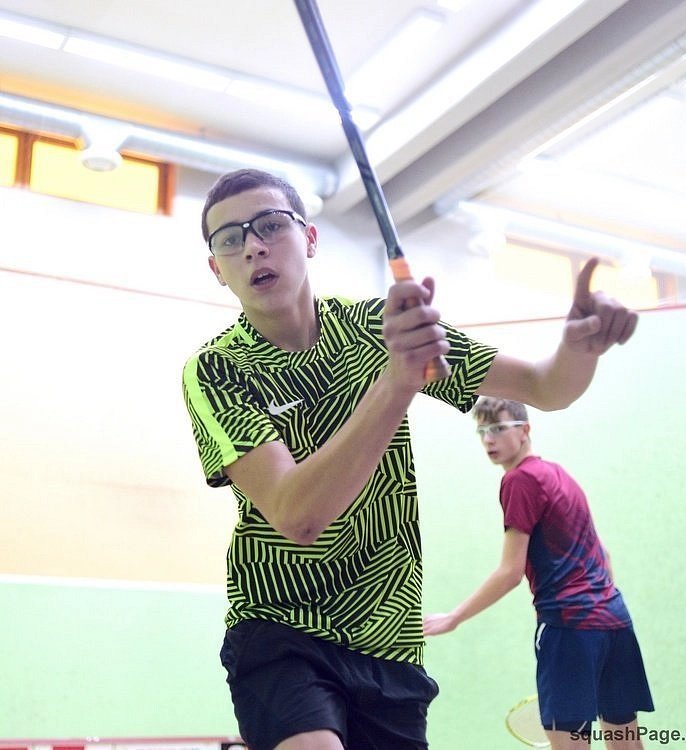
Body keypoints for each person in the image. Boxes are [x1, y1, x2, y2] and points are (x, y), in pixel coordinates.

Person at [181, 167, 638, 750]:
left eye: (270, 225)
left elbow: (546, 387)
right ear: (217, 269)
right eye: (230, 239)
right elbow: (298, 516)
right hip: (281, 628)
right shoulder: (216, 369)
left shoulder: (381, 328)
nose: (252, 246)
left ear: (310, 238)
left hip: (391, 644)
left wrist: (579, 346)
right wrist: (397, 381)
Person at [423, 397, 654, 750]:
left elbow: (510, 572)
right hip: (615, 623)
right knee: (626, 741)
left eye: (498, 428)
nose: (488, 439)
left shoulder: (519, 480)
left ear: (525, 430)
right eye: (482, 431)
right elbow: (604, 556)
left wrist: (454, 617)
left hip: (569, 628)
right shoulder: (560, 475)